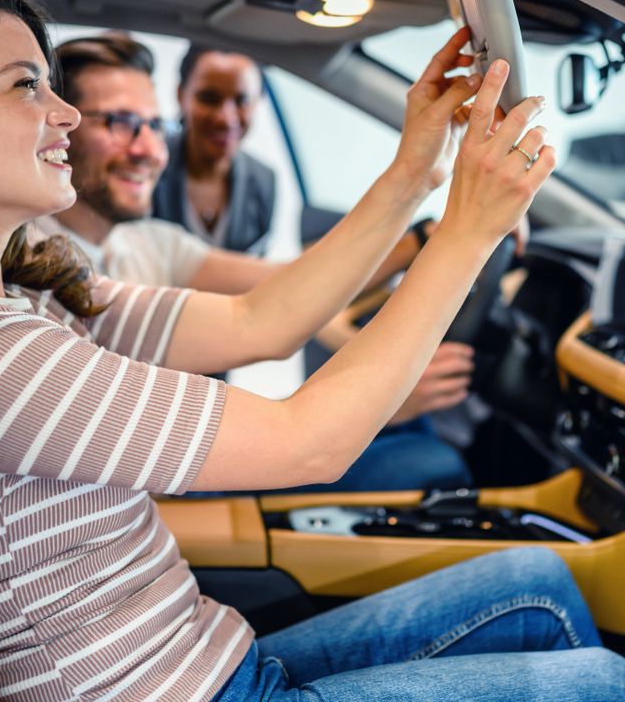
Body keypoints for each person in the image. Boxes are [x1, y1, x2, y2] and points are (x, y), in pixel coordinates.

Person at [0, 0, 622, 702]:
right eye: (24, 85)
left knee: (539, 582)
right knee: (601, 681)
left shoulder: (21, 297)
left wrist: (418, 168)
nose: (65, 113)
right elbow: (311, 447)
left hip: (211, 662)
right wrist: (468, 233)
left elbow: (262, 320)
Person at [41, 33, 473, 492]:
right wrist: (464, 232)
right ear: (57, 127)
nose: (150, 150)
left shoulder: (148, 241)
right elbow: (270, 331)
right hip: (175, 486)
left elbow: (283, 294)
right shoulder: (43, 275)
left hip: (203, 446)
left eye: (151, 125)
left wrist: (419, 185)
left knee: (420, 440)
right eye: (121, 122)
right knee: (432, 463)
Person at [151, 44, 275, 253]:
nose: (225, 119)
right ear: (182, 95)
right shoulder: (150, 166)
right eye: (209, 98)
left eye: (242, 100)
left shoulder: (264, 180)